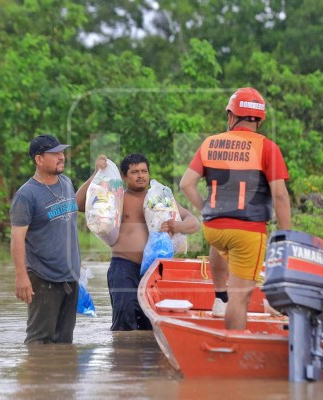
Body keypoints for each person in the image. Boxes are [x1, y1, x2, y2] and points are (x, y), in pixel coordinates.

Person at [179, 87, 292, 330]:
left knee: (221, 245)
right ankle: (233, 346)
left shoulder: (210, 143)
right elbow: (280, 196)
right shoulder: (268, 147)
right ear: (259, 121)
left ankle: (220, 297)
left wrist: (207, 210)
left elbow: (186, 184)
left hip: (214, 230)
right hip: (248, 232)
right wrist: (286, 236)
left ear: (231, 116)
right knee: (240, 298)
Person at [77, 153, 200, 331]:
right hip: (123, 268)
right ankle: (123, 358)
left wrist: (176, 225)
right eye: (134, 172)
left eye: (144, 171)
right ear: (124, 177)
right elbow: (78, 204)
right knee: (124, 325)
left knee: (152, 324)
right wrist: (97, 173)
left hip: (155, 271)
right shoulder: (116, 198)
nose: (141, 175)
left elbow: (194, 223)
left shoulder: (161, 200)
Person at [10, 134, 81, 344]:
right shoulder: (26, 195)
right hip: (43, 277)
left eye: (62, 152)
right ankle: (36, 374)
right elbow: (16, 239)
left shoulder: (66, 183)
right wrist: (21, 277)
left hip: (70, 277)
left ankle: (60, 376)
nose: (62, 157)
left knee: (64, 342)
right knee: (39, 341)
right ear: (39, 159)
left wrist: (97, 175)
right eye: (55, 153)